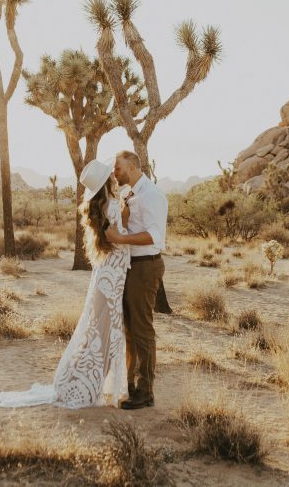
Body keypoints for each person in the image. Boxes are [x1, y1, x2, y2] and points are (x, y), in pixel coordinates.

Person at [0, 158, 131, 408]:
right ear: (107, 180)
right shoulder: (114, 207)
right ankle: (91, 385)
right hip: (113, 277)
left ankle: (88, 381)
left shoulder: (100, 207)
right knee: (107, 331)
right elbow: (121, 238)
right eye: (111, 174)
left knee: (98, 331)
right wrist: (127, 211)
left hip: (106, 275)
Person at [106, 150, 168, 410]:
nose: (114, 173)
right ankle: (131, 386)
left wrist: (121, 239)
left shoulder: (151, 195)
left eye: (117, 168)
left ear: (131, 167)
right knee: (129, 329)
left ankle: (145, 392)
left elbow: (155, 236)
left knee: (142, 329)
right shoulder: (128, 194)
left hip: (145, 267)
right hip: (131, 267)